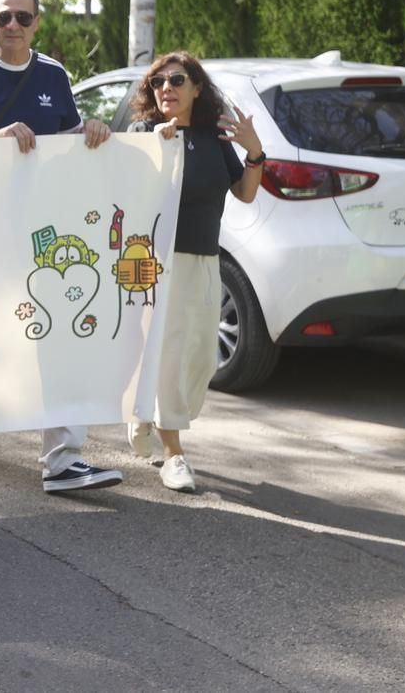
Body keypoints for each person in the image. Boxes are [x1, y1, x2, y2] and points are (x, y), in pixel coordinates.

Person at [0, 0, 122, 494]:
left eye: (23, 18)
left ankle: (62, 459)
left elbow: (71, 136)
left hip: (45, 227)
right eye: (3, 18)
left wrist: (93, 132)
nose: (13, 26)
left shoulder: (54, 75)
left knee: (59, 333)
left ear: (38, 23)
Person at [127, 52, 263, 492]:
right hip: (153, 264)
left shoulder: (213, 139)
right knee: (168, 354)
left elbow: (243, 192)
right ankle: (174, 453)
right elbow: (123, 193)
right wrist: (157, 146)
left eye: (177, 80)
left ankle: (145, 411)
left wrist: (254, 150)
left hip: (203, 260)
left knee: (202, 357)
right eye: (159, 82)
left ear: (196, 88)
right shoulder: (142, 135)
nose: (166, 88)